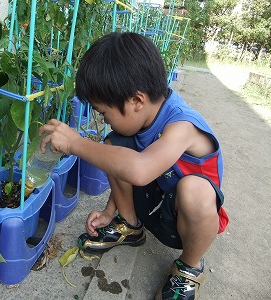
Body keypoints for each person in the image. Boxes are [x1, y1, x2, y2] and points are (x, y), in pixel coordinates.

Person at [40, 32, 229, 300]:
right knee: (113, 147)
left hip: (186, 219)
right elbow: (125, 164)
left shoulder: (182, 125)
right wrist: (109, 211)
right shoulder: (143, 119)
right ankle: (129, 224)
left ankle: (189, 266)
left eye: (104, 112)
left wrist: (75, 144)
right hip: (156, 198)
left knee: (195, 190)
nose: (103, 120)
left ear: (137, 101)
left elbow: (140, 170)